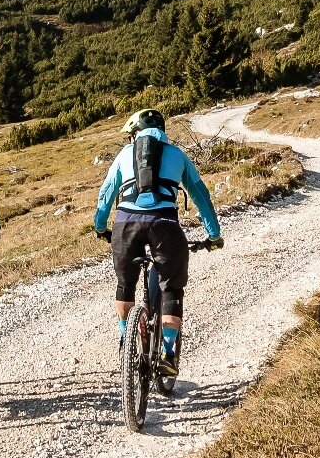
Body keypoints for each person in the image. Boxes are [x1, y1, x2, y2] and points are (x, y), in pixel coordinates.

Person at [93, 109, 223, 377]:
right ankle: (167, 353)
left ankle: (125, 339)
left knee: (125, 284)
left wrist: (100, 226)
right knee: (171, 288)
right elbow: (201, 195)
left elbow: (106, 194)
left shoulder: (124, 154)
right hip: (164, 225)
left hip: (125, 225)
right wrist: (213, 235)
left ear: (135, 135)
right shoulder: (177, 154)